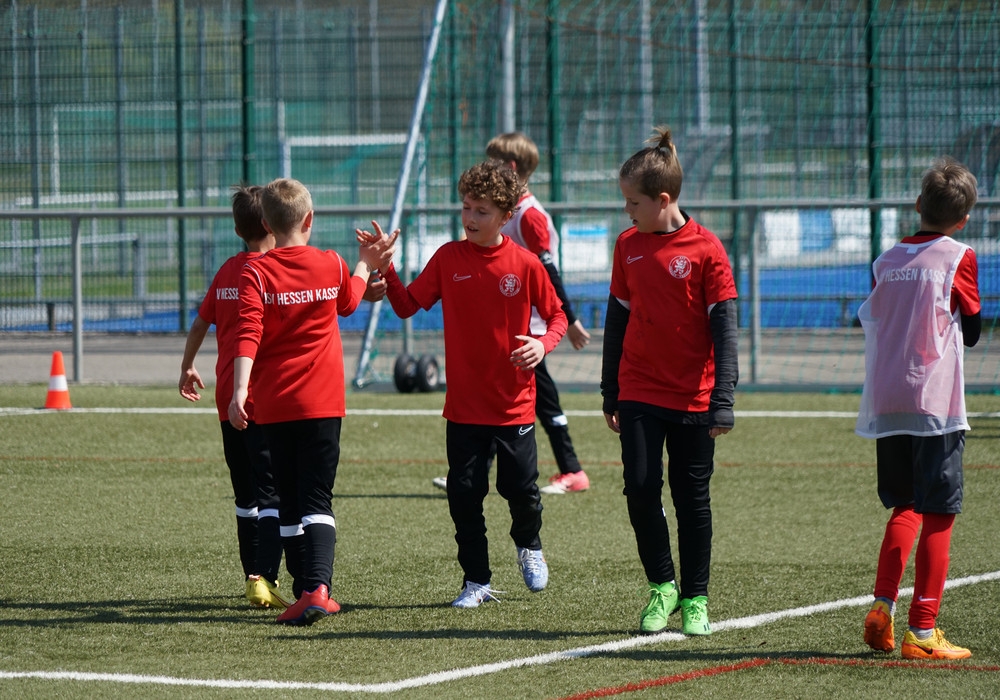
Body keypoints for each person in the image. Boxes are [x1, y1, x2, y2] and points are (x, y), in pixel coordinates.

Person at [364, 160, 568, 608]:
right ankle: (476, 581)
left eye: (481, 211)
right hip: (464, 407)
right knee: (464, 496)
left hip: (514, 403)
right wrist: (387, 269)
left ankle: (529, 544)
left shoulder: (525, 264)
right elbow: (406, 306)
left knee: (521, 491)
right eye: (466, 207)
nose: (470, 218)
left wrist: (542, 345)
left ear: (506, 216)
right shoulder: (448, 258)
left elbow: (558, 317)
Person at [228, 177, 396, 626]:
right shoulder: (331, 263)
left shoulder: (255, 272)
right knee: (318, 498)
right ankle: (317, 590)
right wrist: (365, 264)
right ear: (309, 220)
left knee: (287, 499)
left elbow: (248, 332)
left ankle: (307, 589)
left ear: (266, 224)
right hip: (323, 404)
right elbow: (350, 301)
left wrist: (239, 390)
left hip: (275, 404)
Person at [600, 126, 738, 636]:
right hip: (639, 388)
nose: (627, 212)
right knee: (639, 487)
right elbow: (617, 319)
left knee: (690, 498)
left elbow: (725, 329)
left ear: (663, 200)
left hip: (694, 396)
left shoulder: (707, 249)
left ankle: (696, 597)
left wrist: (723, 398)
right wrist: (610, 389)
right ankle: (663, 586)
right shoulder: (627, 246)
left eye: (633, 203)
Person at [856, 157, 980, 661]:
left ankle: (882, 606)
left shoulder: (885, 261)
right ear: (963, 219)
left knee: (904, 505)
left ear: (917, 205)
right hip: (934, 402)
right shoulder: (958, 256)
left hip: (887, 400)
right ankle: (923, 630)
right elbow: (973, 330)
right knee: (940, 512)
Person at [431, 132, 591, 495]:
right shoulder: (503, 213)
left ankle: (572, 469)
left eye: (493, 161)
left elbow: (547, 270)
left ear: (511, 167)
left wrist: (569, 319)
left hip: (528, 329)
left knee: (542, 400)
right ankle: (472, 472)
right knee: (501, 399)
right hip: (515, 325)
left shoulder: (528, 215)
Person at [178, 184, 289, 610]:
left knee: (245, 494)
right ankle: (265, 577)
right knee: (272, 493)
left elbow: (199, 323)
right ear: (272, 225)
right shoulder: (274, 271)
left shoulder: (228, 270)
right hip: (263, 399)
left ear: (238, 229)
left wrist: (188, 365)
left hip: (227, 397)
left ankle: (250, 575)